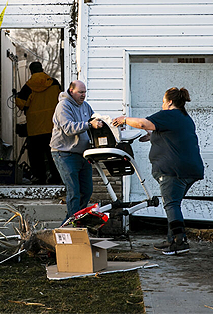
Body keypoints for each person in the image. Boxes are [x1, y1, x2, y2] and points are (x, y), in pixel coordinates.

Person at [113, 87, 204, 255]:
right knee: (174, 204)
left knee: (171, 204)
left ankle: (180, 242)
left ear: (170, 101)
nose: (162, 104)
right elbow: (173, 136)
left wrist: (124, 120)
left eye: (163, 101)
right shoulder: (185, 118)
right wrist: (153, 136)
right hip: (190, 169)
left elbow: (141, 123)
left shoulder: (169, 114)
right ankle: (171, 239)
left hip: (173, 170)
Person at [50, 80, 104, 221]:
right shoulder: (63, 106)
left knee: (86, 191)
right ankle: (74, 225)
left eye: (85, 92)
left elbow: (94, 123)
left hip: (84, 154)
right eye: (80, 92)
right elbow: (69, 129)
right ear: (71, 91)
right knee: (74, 191)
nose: (83, 95)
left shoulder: (86, 106)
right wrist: (89, 124)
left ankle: (73, 221)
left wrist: (108, 126)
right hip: (64, 153)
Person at [16, 61, 61, 184]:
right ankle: (56, 177)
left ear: (31, 71)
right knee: (52, 153)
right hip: (52, 126)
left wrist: (17, 97)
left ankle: (39, 178)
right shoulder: (54, 83)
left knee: (36, 155)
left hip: (35, 127)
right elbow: (62, 99)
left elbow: (20, 103)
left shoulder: (28, 86)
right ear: (42, 69)